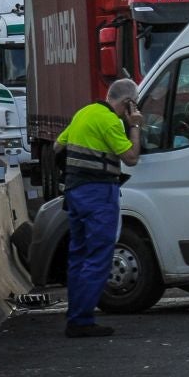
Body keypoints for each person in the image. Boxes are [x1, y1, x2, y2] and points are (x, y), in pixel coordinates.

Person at [57, 78, 144, 337]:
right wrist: (135, 127)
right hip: (98, 195)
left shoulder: (84, 113)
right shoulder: (110, 121)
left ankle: (75, 313)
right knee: (98, 257)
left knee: (79, 256)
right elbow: (131, 157)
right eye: (134, 104)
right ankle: (81, 321)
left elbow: (57, 146)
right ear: (128, 103)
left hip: (74, 193)